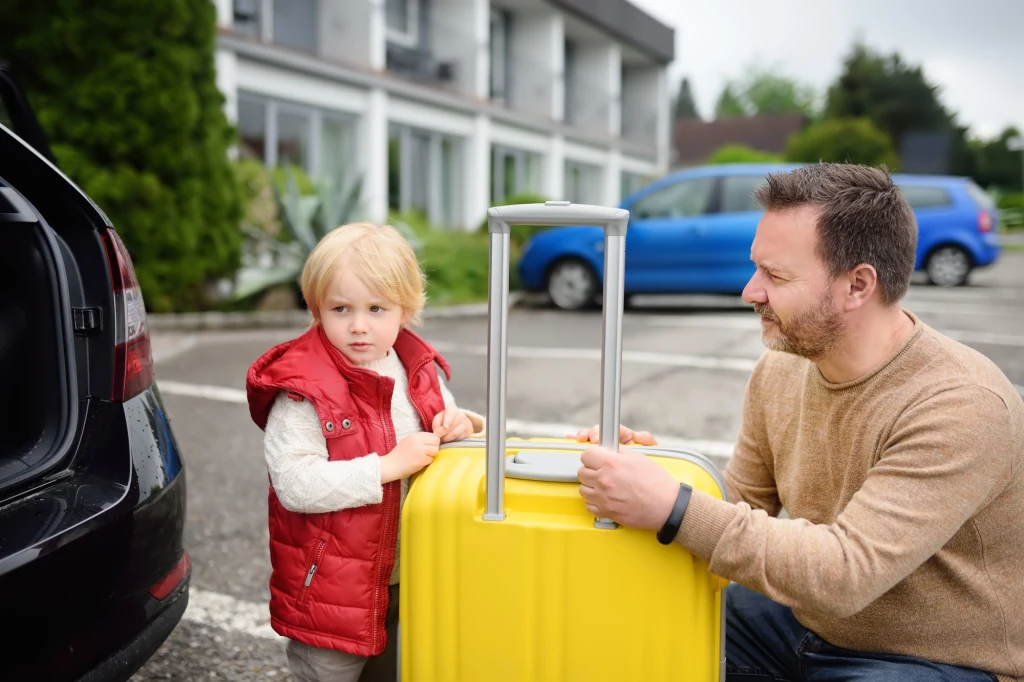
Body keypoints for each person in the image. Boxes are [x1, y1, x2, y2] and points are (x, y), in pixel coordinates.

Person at [571, 163, 1023, 682]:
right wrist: (666, 474)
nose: (749, 291)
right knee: (637, 635)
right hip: (805, 624)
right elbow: (738, 506)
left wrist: (674, 507)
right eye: (756, 268)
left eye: (776, 276)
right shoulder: (782, 368)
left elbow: (846, 574)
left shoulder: (960, 403)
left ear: (858, 285)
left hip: (935, 660)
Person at [246, 222, 483, 682]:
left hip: (410, 575)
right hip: (334, 591)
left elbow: (444, 421)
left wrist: (464, 424)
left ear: (405, 309)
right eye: (340, 308)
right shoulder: (301, 392)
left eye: (377, 308)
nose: (359, 326)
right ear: (317, 308)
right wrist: (389, 467)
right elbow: (295, 484)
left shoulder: (416, 368)